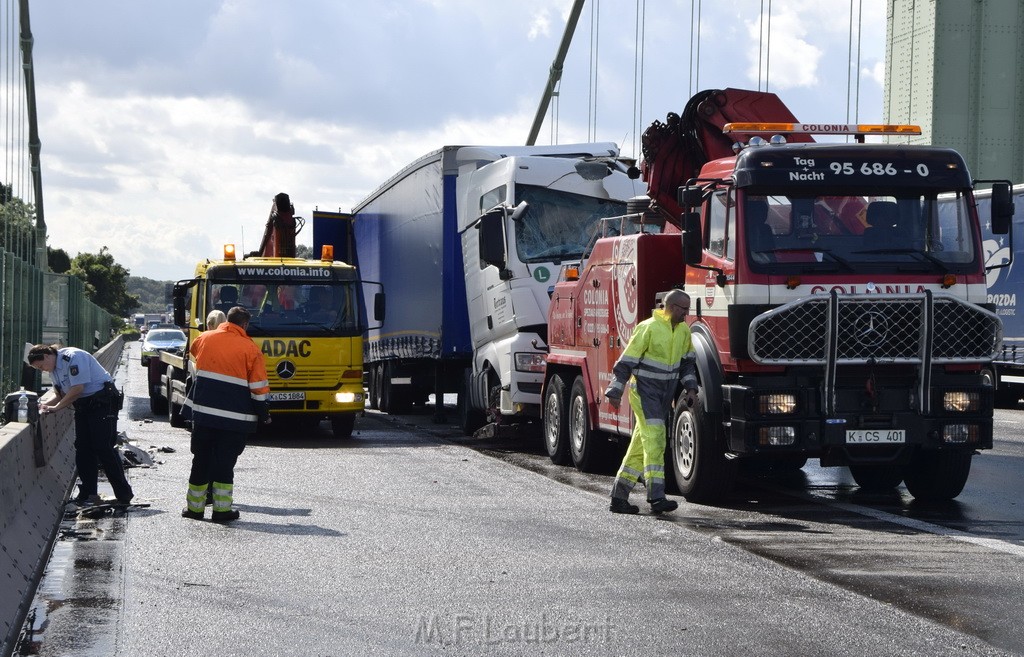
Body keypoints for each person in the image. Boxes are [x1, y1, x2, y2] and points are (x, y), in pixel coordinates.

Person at [604, 289, 697, 515]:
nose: (687, 313)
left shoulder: (683, 331)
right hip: (644, 392)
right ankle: (656, 497)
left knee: (640, 445)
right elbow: (625, 362)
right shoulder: (648, 328)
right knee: (655, 439)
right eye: (684, 309)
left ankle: (619, 497)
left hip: (663, 395)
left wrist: (692, 388)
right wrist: (614, 392)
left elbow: (687, 363)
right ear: (672, 307)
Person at [181, 306, 271, 523]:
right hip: (234, 420)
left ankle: (194, 509)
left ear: (227, 320)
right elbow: (258, 388)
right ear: (245, 324)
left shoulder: (204, 338)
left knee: (201, 459)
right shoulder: (251, 350)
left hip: (204, 415)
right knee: (224, 463)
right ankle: (221, 512)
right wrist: (264, 414)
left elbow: (194, 353)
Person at [27, 344, 133, 506]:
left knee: (103, 447)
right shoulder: (54, 369)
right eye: (39, 369)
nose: (43, 370)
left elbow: (77, 389)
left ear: (47, 356)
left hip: (102, 401)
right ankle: (88, 494)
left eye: (41, 366)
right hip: (84, 405)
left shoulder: (74, 357)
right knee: (83, 448)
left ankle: (123, 494)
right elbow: (60, 394)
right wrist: (43, 405)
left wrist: (55, 408)